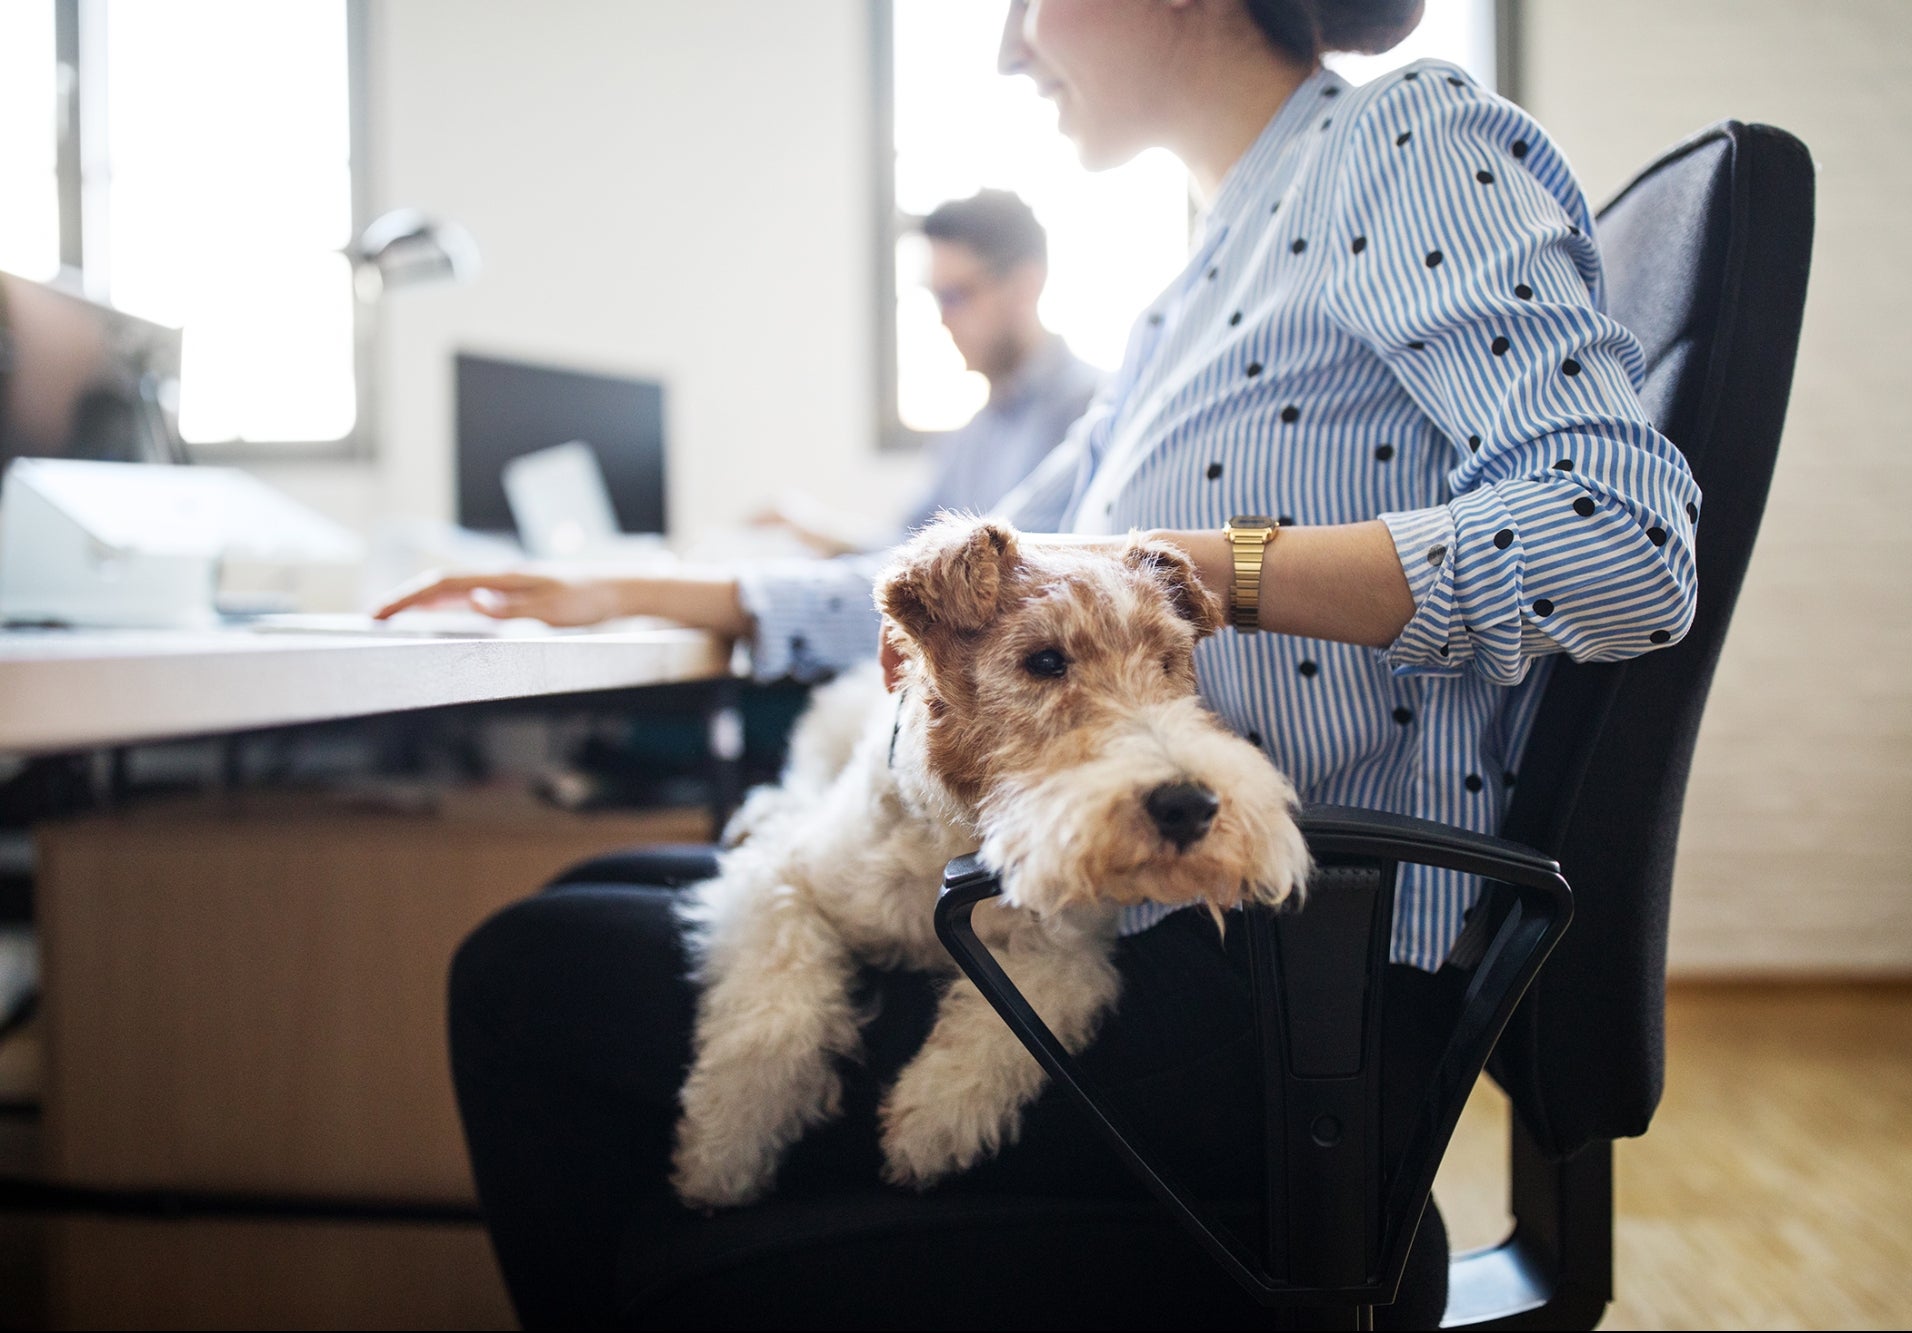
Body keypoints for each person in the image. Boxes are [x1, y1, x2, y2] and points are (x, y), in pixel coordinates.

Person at [385, 1, 1702, 1326]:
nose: (1012, 47)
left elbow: (1628, 538)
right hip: (1114, 906)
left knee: (522, 976)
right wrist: (629, 584)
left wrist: (1222, 569)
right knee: (601, 888)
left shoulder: (1408, 142)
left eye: (1027, 2)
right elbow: (983, 580)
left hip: (1269, 998)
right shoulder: (1192, 289)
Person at [761, 189, 1102, 557]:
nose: (943, 319)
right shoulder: (973, 432)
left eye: (956, 296)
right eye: (936, 297)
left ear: (1025, 286)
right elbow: (912, 550)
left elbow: (1004, 570)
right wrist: (819, 532)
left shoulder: (1093, 410)